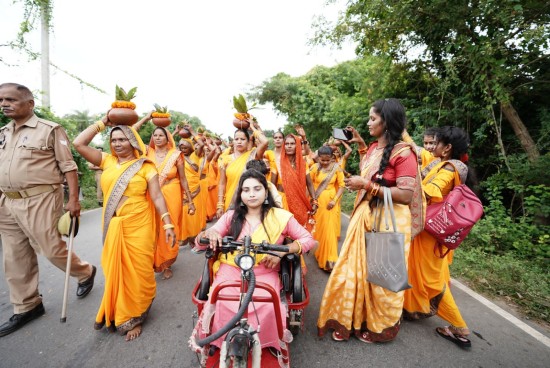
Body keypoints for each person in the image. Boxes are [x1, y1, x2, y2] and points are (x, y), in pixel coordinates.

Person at [317, 98, 422, 343]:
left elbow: (406, 195)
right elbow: (371, 170)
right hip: (366, 215)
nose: (368, 122)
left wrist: (366, 185)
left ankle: (381, 327)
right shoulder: (374, 148)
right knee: (353, 270)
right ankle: (351, 319)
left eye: (372, 118)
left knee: (382, 277)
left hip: (389, 219)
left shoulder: (404, 153)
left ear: (387, 123)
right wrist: (363, 146)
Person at [0, 83, 96, 337]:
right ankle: (27, 305)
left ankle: (85, 271)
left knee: (51, 248)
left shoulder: (50, 130)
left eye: (11, 99)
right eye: (1, 100)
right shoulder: (3, 133)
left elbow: (69, 167)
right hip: (7, 202)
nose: (4, 104)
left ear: (29, 104)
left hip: (40, 198)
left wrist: (73, 200)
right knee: (14, 256)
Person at [189, 169, 315, 358]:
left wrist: (280, 253)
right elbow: (204, 239)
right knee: (221, 297)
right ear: (240, 194)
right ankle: (218, 339)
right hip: (231, 269)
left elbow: (308, 240)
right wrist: (210, 234)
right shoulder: (231, 216)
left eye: (257, 189)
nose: (252, 194)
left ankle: (269, 340)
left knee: (268, 303)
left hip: (265, 271)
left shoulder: (281, 216)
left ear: (266, 192)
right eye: (246, 190)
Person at [73, 118, 177, 341]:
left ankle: (135, 315)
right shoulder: (107, 161)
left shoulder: (145, 166)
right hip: (114, 225)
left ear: (132, 142)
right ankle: (119, 309)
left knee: (138, 270)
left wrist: (168, 223)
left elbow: (157, 196)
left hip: (139, 225)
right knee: (115, 270)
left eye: (123, 139)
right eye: (114, 140)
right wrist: (103, 122)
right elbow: (78, 144)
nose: (118, 143)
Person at [403, 126, 476, 348]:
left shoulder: (449, 169)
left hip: (431, 233)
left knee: (431, 280)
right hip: (429, 230)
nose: (432, 146)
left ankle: (458, 326)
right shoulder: (443, 163)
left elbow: (429, 191)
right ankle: (414, 308)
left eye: (437, 143)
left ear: (447, 148)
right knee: (420, 271)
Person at [133, 117, 195, 280]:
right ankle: (152, 261)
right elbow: (132, 133)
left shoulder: (176, 155)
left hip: (172, 193)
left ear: (168, 138)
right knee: (152, 227)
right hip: (151, 194)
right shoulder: (147, 151)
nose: (158, 138)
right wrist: (147, 118)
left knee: (168, 226)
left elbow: (183, 179)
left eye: (161, 135)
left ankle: (165, 263)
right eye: (155, 135)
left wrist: (190, 201)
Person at [306, 146, 345, 272]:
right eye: (322, 160)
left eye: (327, 160)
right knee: (320, 230)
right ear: (319, 158)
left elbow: (341, 186)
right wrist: (311, 200)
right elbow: (308, 183)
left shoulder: (337, 169)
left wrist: (335, 200)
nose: (325, 163)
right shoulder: (314, 168)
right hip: (317, 203)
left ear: (332, 158)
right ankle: (320, 254)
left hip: (330, 204)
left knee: (329, 231)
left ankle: (330, 260)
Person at [216, 125, 268, 217]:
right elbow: (222, 183)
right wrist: (220, 204)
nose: (239, 142)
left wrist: (252, 126)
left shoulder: (253, 156)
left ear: (248, 141)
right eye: (236, 139)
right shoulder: (224, 159)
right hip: (231, 200)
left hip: (250, 200)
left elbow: (265, 142)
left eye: (243, 139)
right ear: (233, 141)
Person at [278, 134, 312, 228]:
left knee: (299, 230)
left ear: (297, 146)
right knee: (284, 230)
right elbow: (272, 184)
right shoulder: (277, 162)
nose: (289, 146)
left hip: (299, 201)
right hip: (283, 202)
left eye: (292, 144)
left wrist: (314, 200)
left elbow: (309, 183)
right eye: (287, 143)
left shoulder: (303, 164)